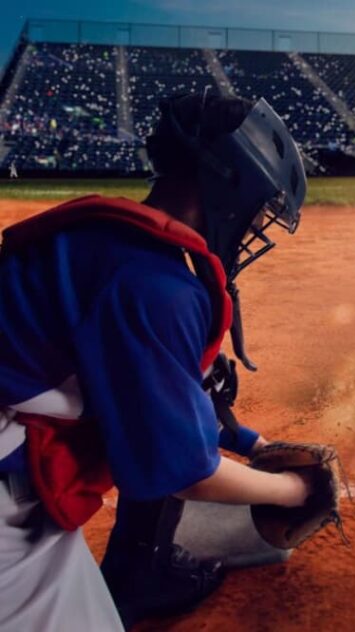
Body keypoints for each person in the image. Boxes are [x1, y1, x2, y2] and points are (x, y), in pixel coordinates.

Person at [0, 91, 310, 630]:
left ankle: (140, 573)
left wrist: (255, 444)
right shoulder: (154, 287)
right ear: (225, 185)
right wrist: (296, 490)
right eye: (259, 203)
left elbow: (171, 393)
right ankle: (141, 574)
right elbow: (185, 471)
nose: (257, 221)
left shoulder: (105, 241)